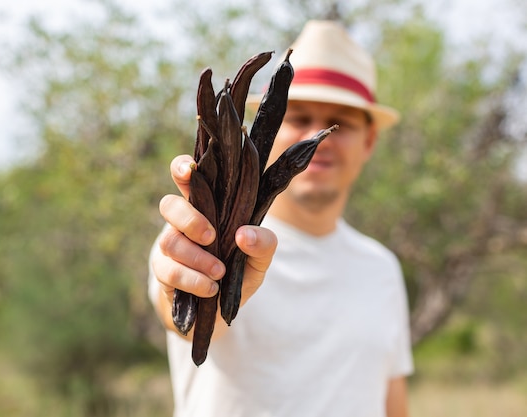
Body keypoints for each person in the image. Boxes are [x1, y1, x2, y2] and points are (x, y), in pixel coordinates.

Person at [148, 20, 414, 417]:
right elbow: (183, 317)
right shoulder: (197, 237)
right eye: (298, 116)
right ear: (265, 124)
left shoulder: (382, 268)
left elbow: (391, 403)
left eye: (339, 121)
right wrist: (183, 286)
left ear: (369, 140)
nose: (317, 134)